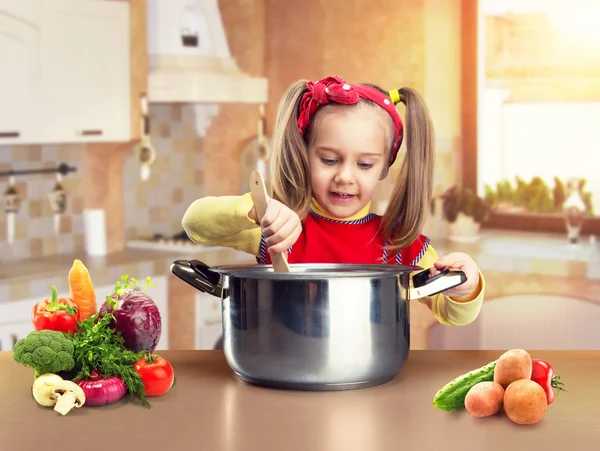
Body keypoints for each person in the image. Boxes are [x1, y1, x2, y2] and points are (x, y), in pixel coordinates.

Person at [182, 75, 485, 327]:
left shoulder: (399, 244)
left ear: (384, 168)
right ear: (306, 154)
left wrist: (466, 288)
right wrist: (251, 209)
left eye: (364, 165)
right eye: (329, 159)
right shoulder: (278, 227)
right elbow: (195, 224)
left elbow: (451, 314)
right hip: (279, 369)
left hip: (371, 382)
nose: (345, 176)